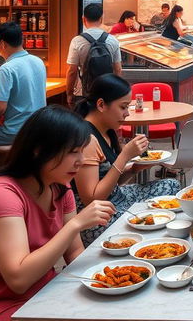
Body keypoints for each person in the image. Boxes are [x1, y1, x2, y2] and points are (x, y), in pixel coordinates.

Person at [0, 107, 115, 321]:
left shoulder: (60, 188)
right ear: (38, 150)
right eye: (72, 151)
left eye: (81, 151)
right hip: (0, 306)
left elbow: (75, 254)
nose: (80, 160)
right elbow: (18, 280)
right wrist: (75, 224)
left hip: (45, 293)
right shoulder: (2, 195)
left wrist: (111, 276)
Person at [74, 74, 180, 246]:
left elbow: (112, 181)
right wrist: (124, 157)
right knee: (144, 223)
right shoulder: (86, 139)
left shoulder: (107, 130)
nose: (127, 113)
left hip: (117, 198)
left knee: (171, 185)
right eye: (123, 107)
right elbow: (91, 199)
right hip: (97, 215)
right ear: (101, 105)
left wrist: (133, 169)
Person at [0, 22, 47, 179]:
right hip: (38, 128)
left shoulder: (7, 69)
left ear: (2, 44)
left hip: (15, 131)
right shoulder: (38, 61)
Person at [66, 4, 121, 107]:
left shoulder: (77, 41)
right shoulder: (112, 40)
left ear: (83, 19)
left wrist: (69, 93)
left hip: (82, 93)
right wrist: (116, 91)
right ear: (101, 19)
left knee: (83, 122)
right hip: (106, 92)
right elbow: (118, 69)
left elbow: (72, 71)